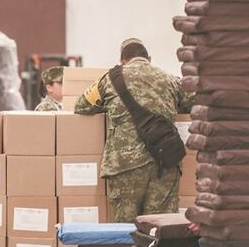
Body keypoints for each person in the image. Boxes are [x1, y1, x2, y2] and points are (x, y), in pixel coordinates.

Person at [75, 38, 194, 223]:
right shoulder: (170, 79)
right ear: (149, 59)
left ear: (122, 60)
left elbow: (82, 105)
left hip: (125, 165)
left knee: (126, 230)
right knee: (161, 228)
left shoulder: (110, 79)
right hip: (164, 161)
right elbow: (193, 103)